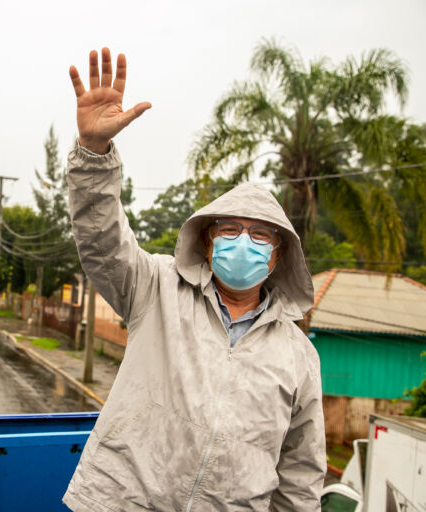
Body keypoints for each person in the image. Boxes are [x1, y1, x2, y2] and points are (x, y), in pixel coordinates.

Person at [62, 48, 325, 511]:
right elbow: (101, 237)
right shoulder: (155, 287)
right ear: (206, 241)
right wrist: (93, 152)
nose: (243, 242)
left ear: (279, 255)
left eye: (260, 235)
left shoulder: (299, 355)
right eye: (229, 229)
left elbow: (300, 475)